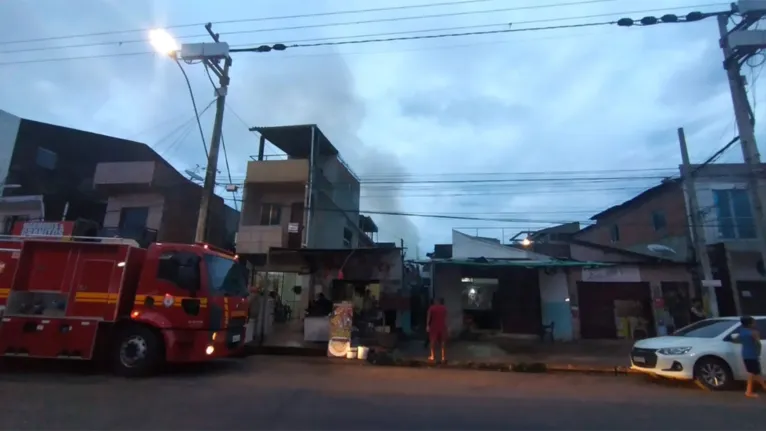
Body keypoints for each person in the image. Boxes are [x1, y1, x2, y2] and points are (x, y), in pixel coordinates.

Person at [738, 316, 766, 398]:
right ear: (749, 324)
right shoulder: (754, 333)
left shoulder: (742, 332)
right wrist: (758, 353)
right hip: (752, 355)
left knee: (755, 372)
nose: (755, 323)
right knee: (754, 373)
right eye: (753, 322)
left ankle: (761, 387)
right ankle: (749, 392)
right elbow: (758, 344)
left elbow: (737, 339)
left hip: (745, 354)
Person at [427, 298, 448, 363]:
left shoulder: (432, 308)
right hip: (442, 326)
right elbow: (446, 318)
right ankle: (443, 357)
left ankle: (433, 356)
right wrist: (447, 326)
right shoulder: (444, 308)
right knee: (443, 342)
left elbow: (428, 317)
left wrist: (427, 325)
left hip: (434, 326)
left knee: (432, 341)